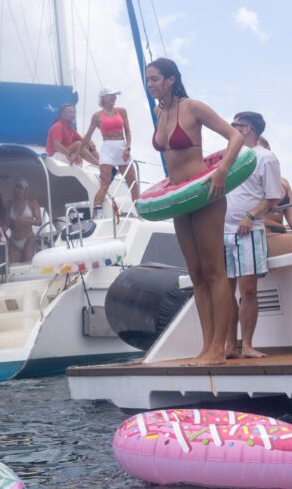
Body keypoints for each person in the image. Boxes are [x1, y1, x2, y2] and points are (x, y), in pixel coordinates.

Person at [146, 57, 243, 366]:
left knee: (215, 271)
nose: (150, 85)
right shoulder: (159, 112)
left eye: (155, 79)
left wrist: (222, 170)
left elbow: (235, 136)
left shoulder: (192, 107)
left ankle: (219, 347)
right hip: (180, 198)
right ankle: (206, 346)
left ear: (171, 79)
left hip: (205, 193)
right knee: (197, 274)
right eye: (148, 80)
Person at [223, 113, 281, 360]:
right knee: (224, 292)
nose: (229, 128)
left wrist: (250, 216)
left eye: (234, 125)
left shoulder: (266, 157)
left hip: (249, 231)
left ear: (246, 129)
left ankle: (246, 345)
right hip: (223, 232)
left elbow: (272, 197)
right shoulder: (229, 156)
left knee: (247, 291)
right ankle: (229, 346)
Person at [77, 87, 138, 217]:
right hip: (107, 148)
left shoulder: (122, 111)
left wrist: (128, 147)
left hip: (122, 146)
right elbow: (88, 136)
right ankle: (94, 215)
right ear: (104, 98)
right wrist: (77, 153)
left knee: (132, 181)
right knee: (104, 184)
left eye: (115, 95)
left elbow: (127, 131)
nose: (114, 97)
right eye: (112, 95)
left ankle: (140, 212)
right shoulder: (97, 116)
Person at [257, 136, 292, 256]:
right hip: (263, 234)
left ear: (268, 150)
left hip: (282, 234)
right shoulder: (247, 182)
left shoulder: (284, 182)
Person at [2, 178, 41, 263]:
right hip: (14, 240)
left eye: (21, 187)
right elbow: (7, 223)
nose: (19, 190)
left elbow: (39, 222)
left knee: (29, 264)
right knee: (13, 267)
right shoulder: (10, 204)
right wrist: (3, 229)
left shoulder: (32, 202)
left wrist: (26, 220)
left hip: (28, 238)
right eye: (17, 187)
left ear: (26, 189)